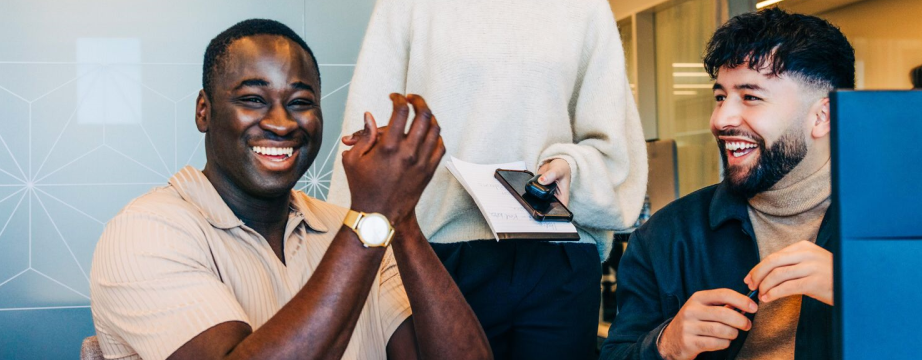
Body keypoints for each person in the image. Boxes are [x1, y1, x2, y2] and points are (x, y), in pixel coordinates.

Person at [88, 19, 492, 360]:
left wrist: (399, 216)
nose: (282, 123)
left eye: (300, 102)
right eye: (252, 99)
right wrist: (373, 213)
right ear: (204, 111)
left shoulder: (357, 226)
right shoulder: (145, 232)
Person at [326, 1, 648, 358]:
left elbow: (616, 152)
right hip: (436, 258)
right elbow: (366, 136)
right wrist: (346, 261)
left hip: (558, 256)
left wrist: (572, 167)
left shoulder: (585, 8)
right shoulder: (408, 6)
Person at [600, 9, 854, 360]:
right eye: (720, 97)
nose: (721, 119)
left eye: (750, 97)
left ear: (822, 116)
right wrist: (665, 345)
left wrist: (862, 292)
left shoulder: (898, 226)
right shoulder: (665, 236)